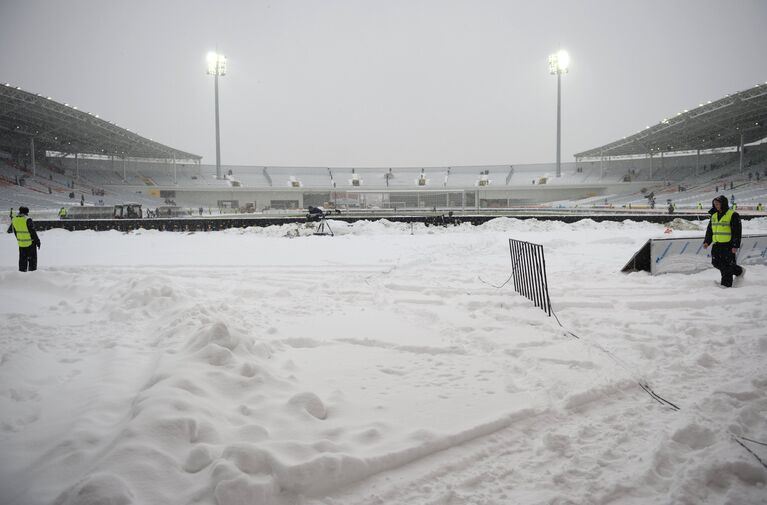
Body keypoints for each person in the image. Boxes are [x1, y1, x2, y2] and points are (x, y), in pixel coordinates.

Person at [703, 195, 744, 288]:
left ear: (723, 204)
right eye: (715, 204)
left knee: (727, 266)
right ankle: (738, 271)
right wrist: (707, 241)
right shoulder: (714, 215)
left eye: (718, 204)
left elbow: (737, 231)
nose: (716, 206)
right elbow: (710, 230)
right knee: (716, 263)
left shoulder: (732, 214)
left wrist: (735, 245)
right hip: (717, 244)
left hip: (728, 245)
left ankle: (726, 286)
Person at [7, 206, 41, 272]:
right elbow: (33, 232)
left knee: (22, 260)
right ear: (27, 212)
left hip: (21, 243)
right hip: (30, 243)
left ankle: (22, 273)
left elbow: (15, 232)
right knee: (32, 260)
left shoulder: (14, 219)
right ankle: (32, 273)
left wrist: (20, 239)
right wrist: (38, 241)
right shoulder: (27, 219)